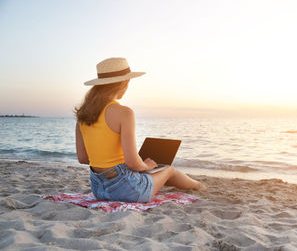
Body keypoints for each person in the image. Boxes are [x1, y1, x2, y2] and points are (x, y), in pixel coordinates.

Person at [74, 57, 206, 203]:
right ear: (123, 84)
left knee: (151, 172)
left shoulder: (83, 116)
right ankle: (199, 186)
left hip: (99, 190)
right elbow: (133, 163)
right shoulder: (124, 113)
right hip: (127, 190)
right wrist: (146, 165)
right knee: (168, 170)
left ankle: (167, 179)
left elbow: (83, 158)